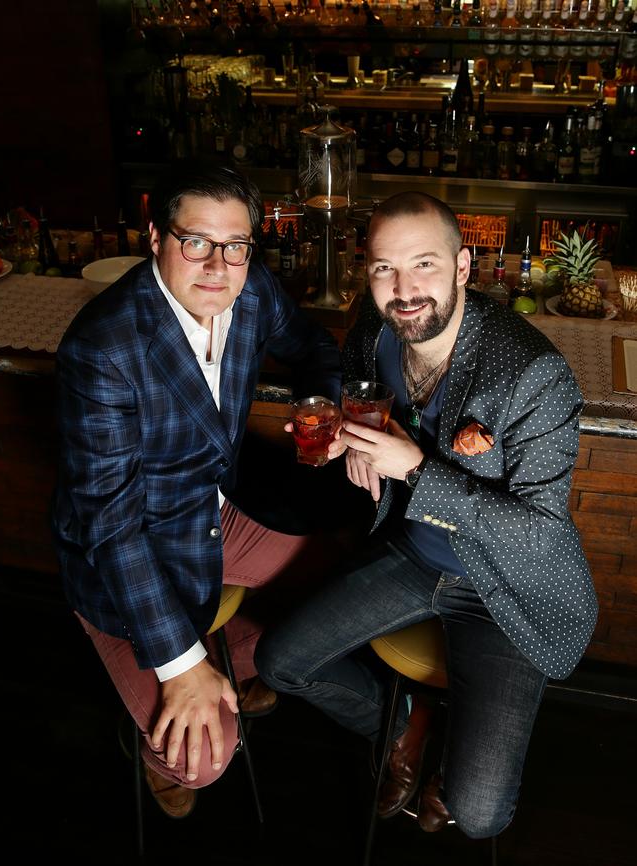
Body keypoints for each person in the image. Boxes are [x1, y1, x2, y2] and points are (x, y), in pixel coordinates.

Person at [256, 191, 598, 839]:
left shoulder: (535, 377)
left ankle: (453, 761)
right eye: (385, 268)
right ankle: (404, 718)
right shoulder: (374, 327)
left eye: (425, 265)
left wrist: (411, 467)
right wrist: (353, 435)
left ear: (464, 267)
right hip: (411, 554)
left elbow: (539, 536)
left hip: (505, 591)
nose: (404, 289)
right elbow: (357, 386)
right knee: (281, 663)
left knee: (479, 816)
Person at [51, 166, 344, 819]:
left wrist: (319, 409)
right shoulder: (102, 348)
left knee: (343, 573)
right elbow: (110, 525)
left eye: (235, 245)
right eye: (197, 242)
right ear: (156, 237)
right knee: (200, 760)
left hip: (219, 509)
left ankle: (237, 656)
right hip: (127, 555)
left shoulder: (253, 291)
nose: (218, 265)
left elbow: (314, 345)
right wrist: (180, 667)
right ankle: (183, 695)